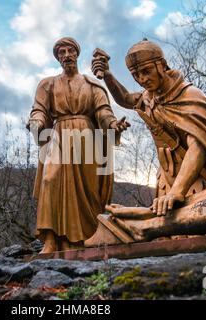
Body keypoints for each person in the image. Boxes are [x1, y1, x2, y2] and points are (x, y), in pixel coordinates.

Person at [90, 39, 206, 235]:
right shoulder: (149, 97)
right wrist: (108, 75)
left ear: (161, 65)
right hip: (166, 179)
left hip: (197, 178)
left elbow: (198, 147)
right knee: (172, 235)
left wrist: (177, 191)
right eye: (136, 75)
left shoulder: (190, 96)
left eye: (146, 71)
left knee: (205, 233)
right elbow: (126, 99)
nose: (142, 79)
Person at [28, 37, 129, 253]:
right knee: (49, 179)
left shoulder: (92, 84)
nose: (66, 55)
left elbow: (103, 111)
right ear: (58, 58)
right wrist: (36, 122)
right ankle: (50, 240)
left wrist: (113, 125)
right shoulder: (48, 84)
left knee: (89, 191)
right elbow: (39, 110)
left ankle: (90, 237)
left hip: (87, 138)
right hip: (59, 136)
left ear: (76, 54)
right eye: (61, 52)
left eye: (70, 51)